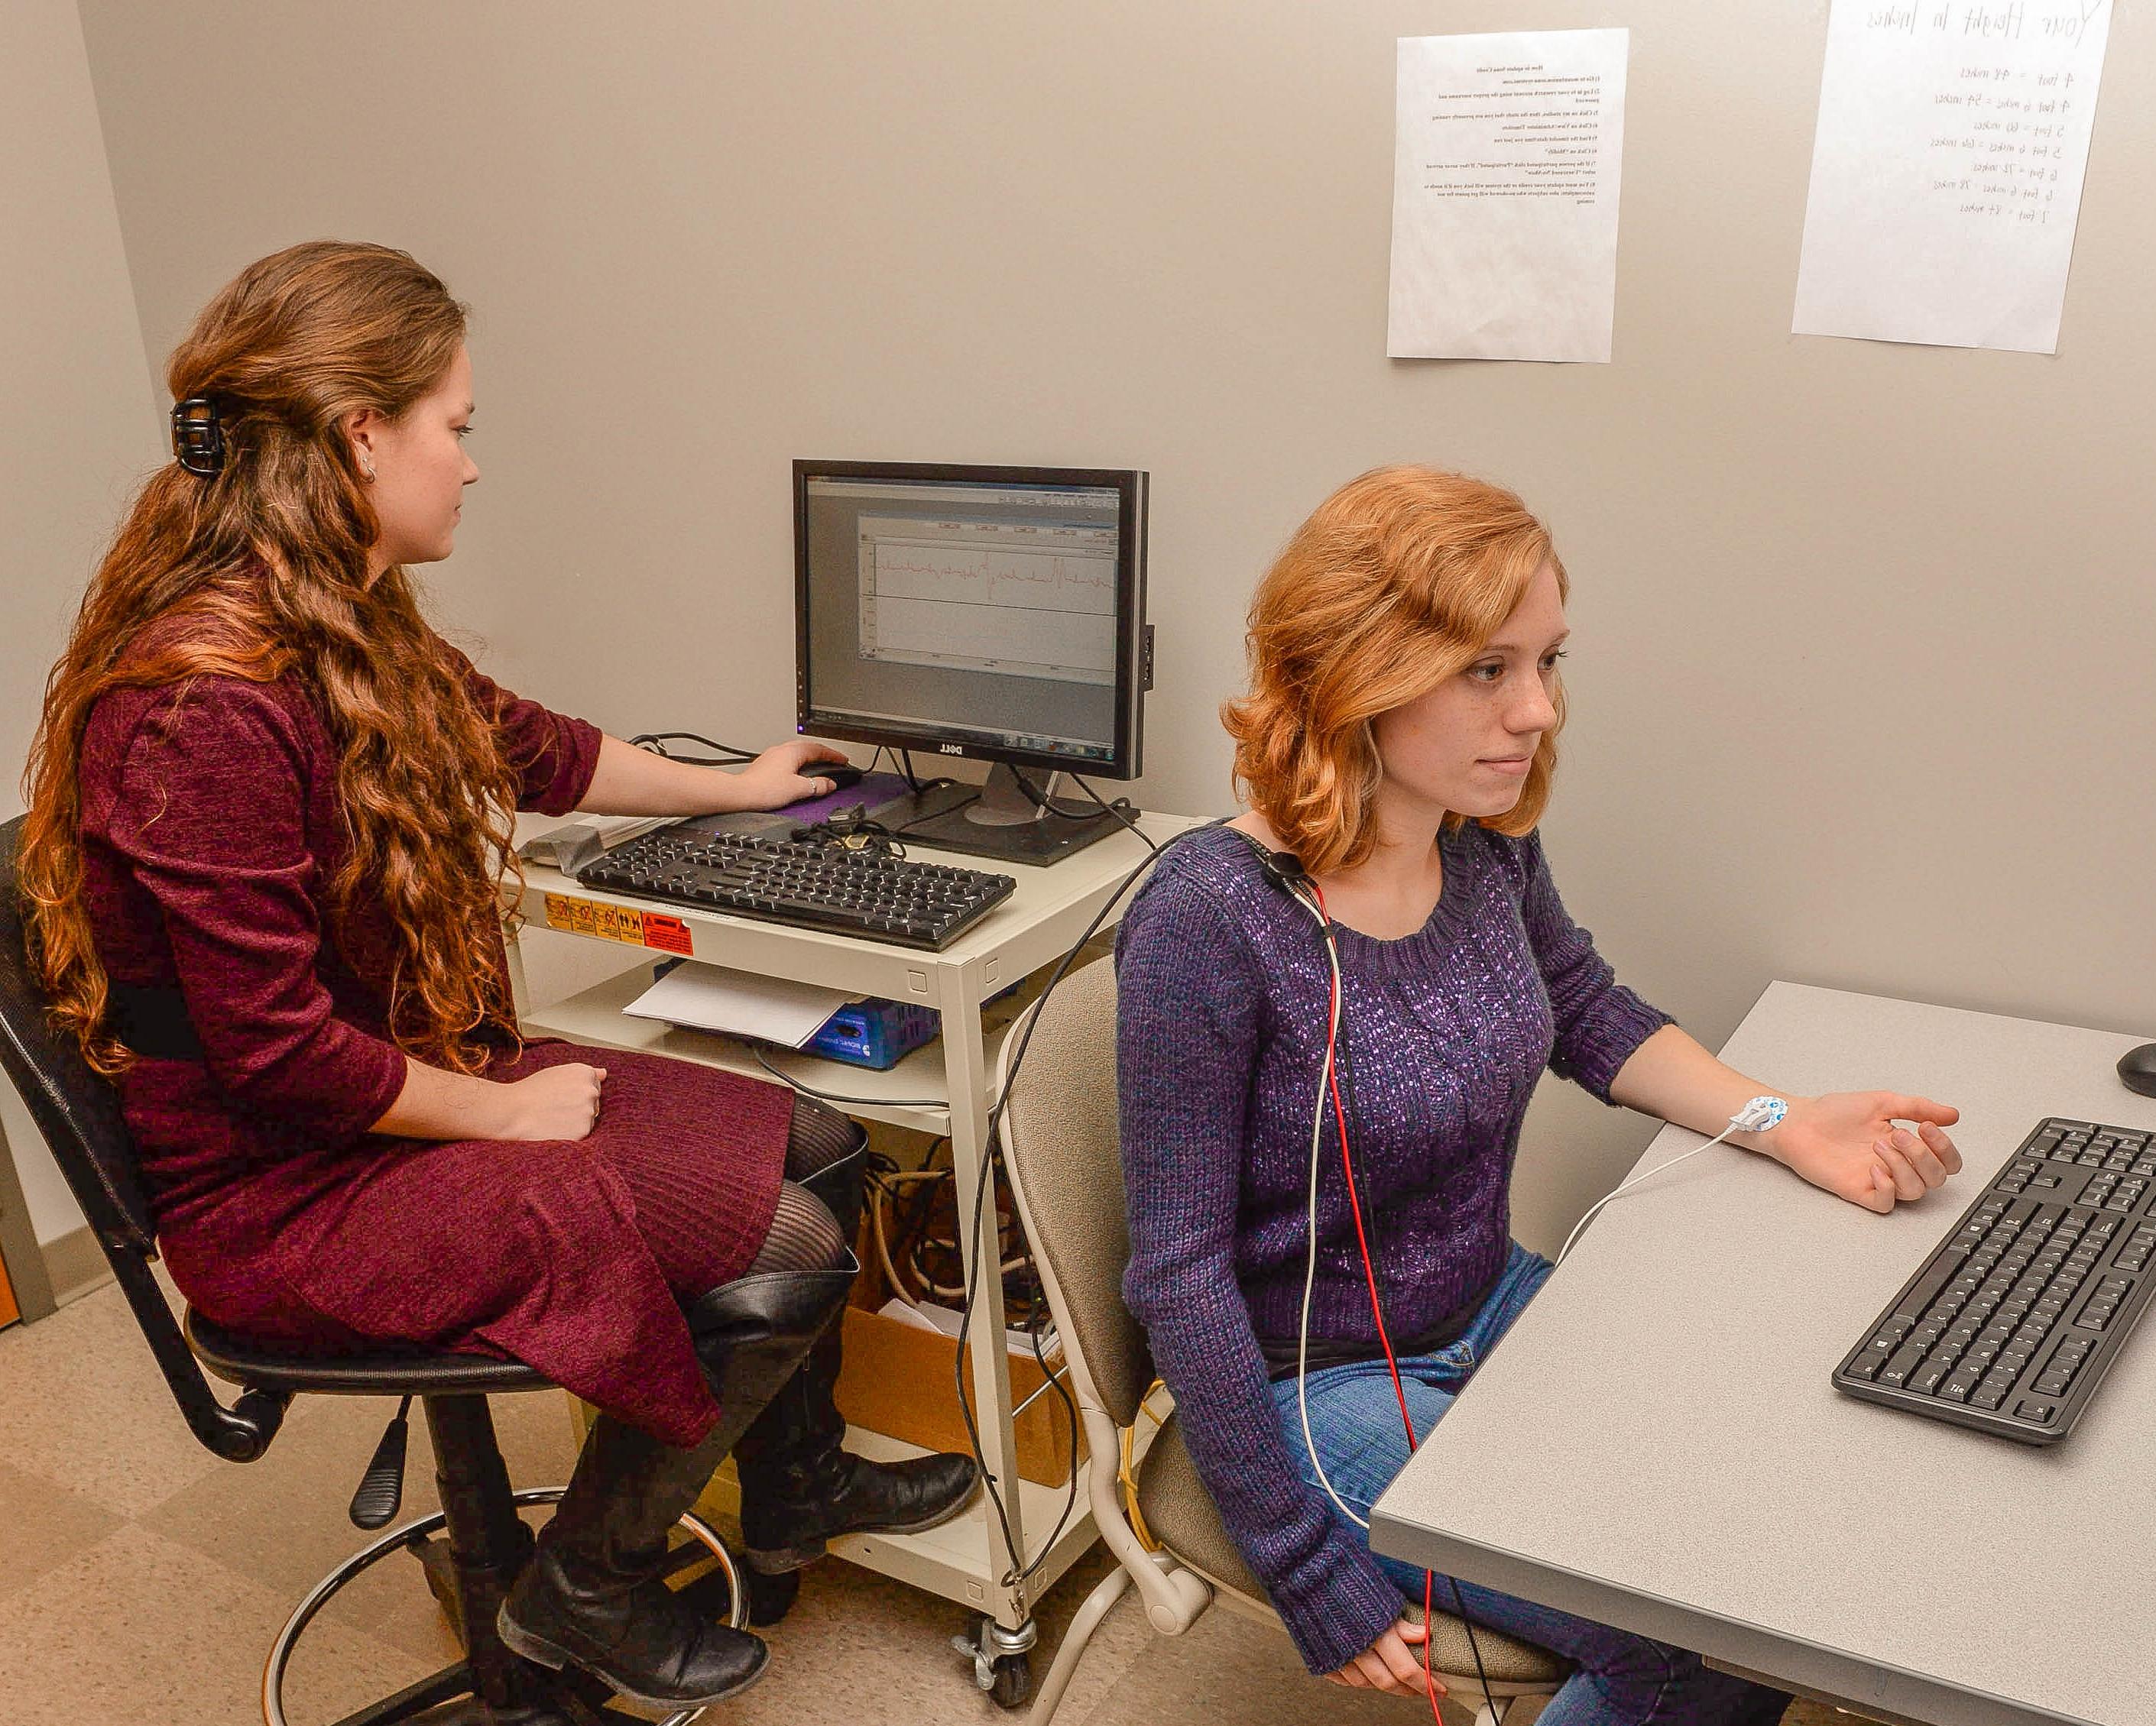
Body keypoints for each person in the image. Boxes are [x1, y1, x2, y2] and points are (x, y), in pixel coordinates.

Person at [15, 241, 977, 1711]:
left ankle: (799, 1492)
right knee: (783, 1244)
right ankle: (575, 1594)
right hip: (287, 1184)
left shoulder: (335, 614)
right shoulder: (198, 705)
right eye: (455, 426)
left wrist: (743, 787)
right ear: (360, 436)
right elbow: (275, 1058)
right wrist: (503, 1116)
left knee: (829, 1147)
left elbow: (536, 747)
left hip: (394, 1092)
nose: (470, 463)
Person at [1115, 465, 1967, 1726]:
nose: (1538, 712)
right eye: (1486, 670)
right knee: (1675, 1643)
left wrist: (1788, 1126)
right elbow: (1176, 1270)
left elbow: (1583, 1008)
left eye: (1548, 663)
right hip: (1319, 1382)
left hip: (1491, 1301)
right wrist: (1302, 1564)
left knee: (1762, 1552)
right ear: (1359, 667)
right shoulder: (1209, 918)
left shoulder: (1483, 839)